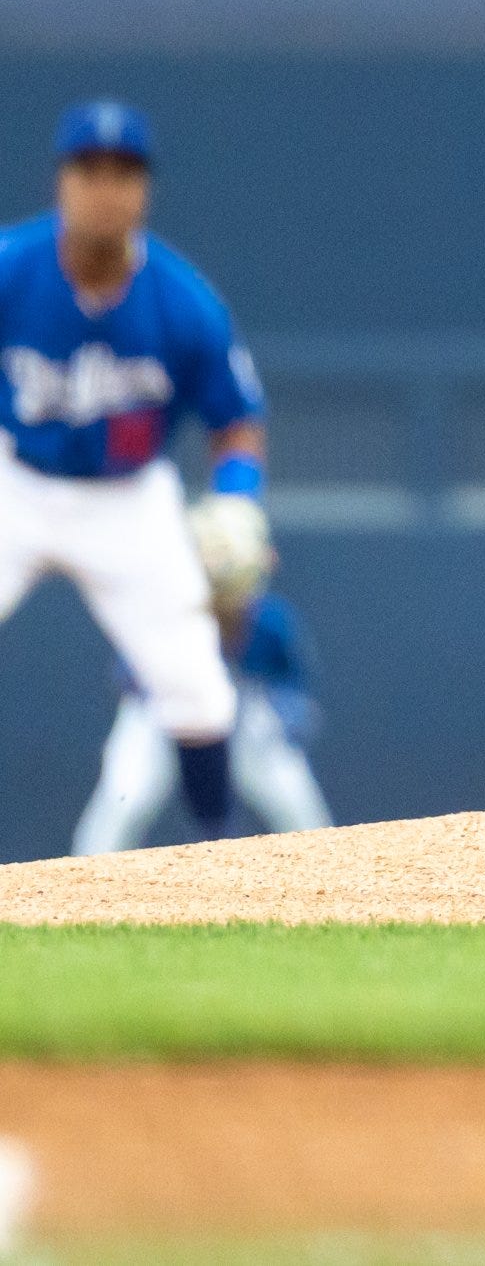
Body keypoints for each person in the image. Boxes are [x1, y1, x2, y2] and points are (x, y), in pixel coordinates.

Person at [0, 101, 273, 842]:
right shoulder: (11, 270)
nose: (106, 187)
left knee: (197, 691)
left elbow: (237, 422)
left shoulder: (184, 305)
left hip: (128, 501)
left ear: (145, 189)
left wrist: (239, 503)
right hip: (15, 484)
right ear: (61, 180)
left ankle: (219, 865)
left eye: (124, 172)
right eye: (89, 169)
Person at [74, 578, 329, 853]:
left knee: (291, 795)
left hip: (243, 709)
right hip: (162, 707)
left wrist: (284, 717)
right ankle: (82, 879)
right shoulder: (168, 615)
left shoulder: (267, 620)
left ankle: (328, 871)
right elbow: (128, 675)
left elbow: (290, 682)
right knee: (126, 793)